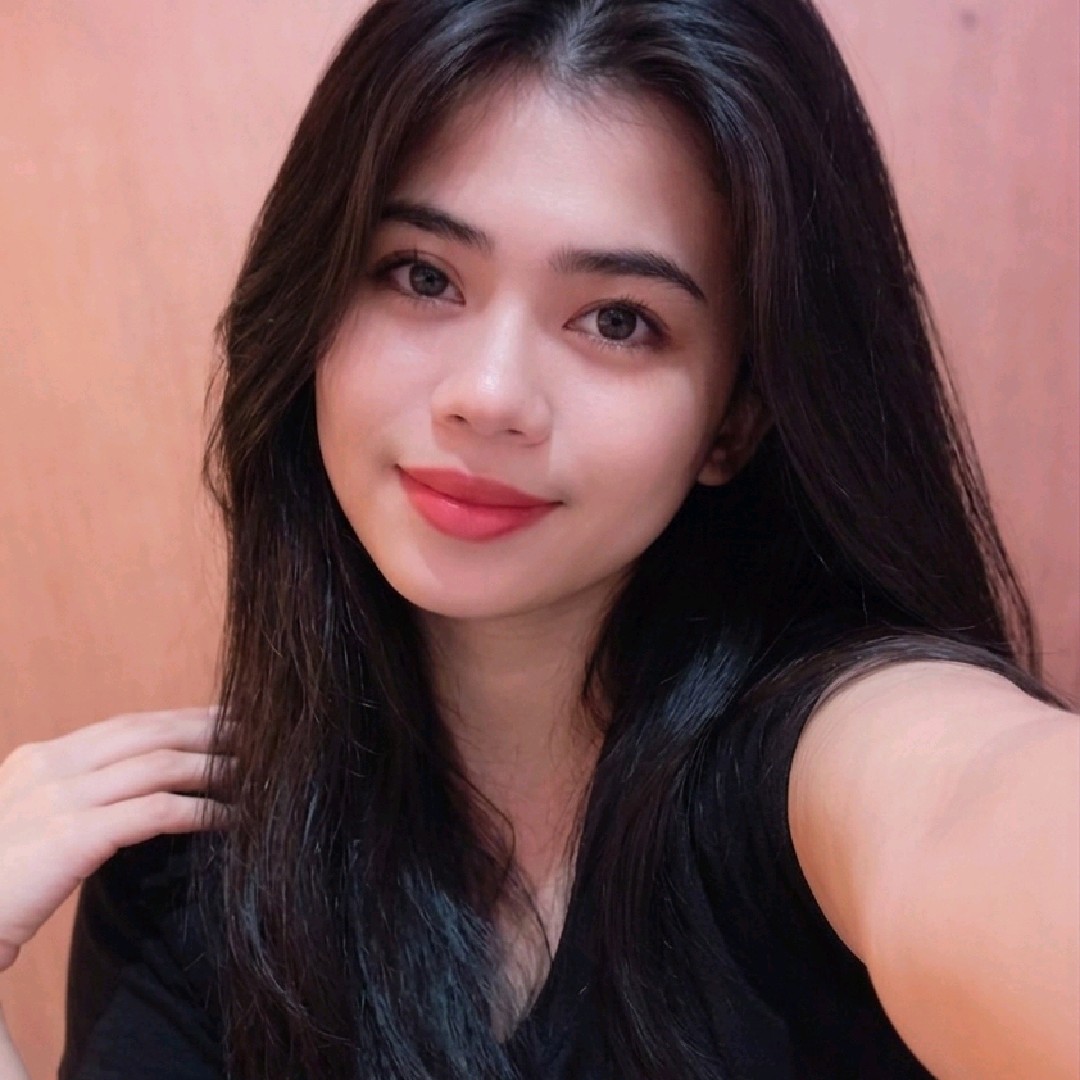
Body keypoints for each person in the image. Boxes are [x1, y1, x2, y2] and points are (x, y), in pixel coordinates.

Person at [1, 0, 1077, 1076]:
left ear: (736, 419)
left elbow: (974, 808)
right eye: (423, 274)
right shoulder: (188, 878)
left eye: (618, 319)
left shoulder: (836, 769)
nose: (489, 395)